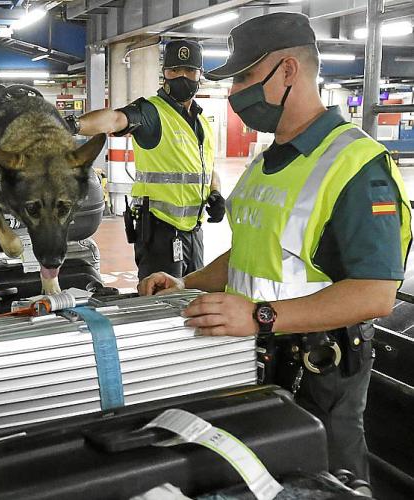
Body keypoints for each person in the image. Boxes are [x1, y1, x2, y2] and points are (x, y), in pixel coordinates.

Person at [138, 12, 411, 483]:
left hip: (319, 370)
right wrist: (186, 284)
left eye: (244, 77)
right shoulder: (266, 162)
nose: (234, 92)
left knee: (331, 479)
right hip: (258, 359)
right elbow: (249, 252)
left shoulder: (357, 165)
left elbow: (375, 294)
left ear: (287, 71)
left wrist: (260, 316)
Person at [68, 40, 225, 280]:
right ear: (164, 73)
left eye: (189, 70)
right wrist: (73, 125)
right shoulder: (151, 111)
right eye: (175, 70)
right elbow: (115, 119)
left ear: (199, 74)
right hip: (160, 233)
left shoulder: (202, 121)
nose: (182, 77)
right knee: (160, 297)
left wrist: (216, 193)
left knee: (194, 293)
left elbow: (208, 168)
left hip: (193, 231)